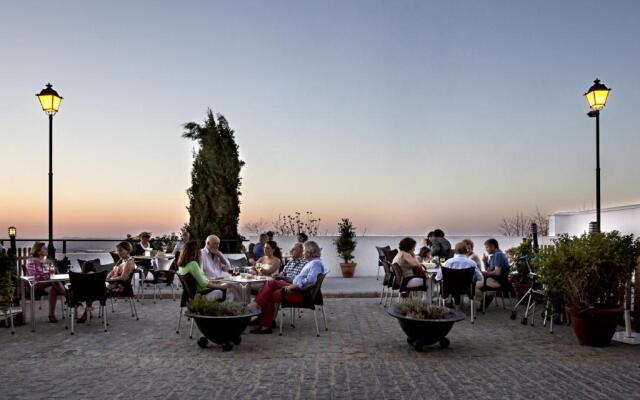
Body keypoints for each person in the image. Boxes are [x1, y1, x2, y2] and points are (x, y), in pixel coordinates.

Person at [249, 241, 326, 334]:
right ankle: (264, 323)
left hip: (299, 292)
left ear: (309, 252)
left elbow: (311, 280)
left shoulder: (315, 264)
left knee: (270, 290)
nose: (303, 253)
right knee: (271, 283)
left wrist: (296, 286)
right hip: (295, 288)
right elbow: (304, 278)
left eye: (304, 251)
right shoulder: (313, 262)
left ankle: (259, 312)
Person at [26, 242, 65, 323]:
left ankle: (51, 315)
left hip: (49, 284)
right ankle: (69, 297)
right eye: (44, 248)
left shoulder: (48, 261)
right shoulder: (31, 261)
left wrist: (49, 272)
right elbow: (35, 275)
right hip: (37, 285)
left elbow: (54, 273)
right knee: (55, 282)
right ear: (38, 251)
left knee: (53, 289)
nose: (47, 249)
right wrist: (48, 273)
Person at [475, 238, 511, 305]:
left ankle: (481, 302)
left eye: (487, 247)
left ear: (492, 246)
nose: (486, 249)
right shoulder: (494, 256)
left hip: (498, 281)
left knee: (475, 284)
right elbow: (489, 270)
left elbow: (497, 272)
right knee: (476, 281)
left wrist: (483, 273)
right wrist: (485, 262)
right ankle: (484, 300)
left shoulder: (498, 255)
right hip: (493, 279)